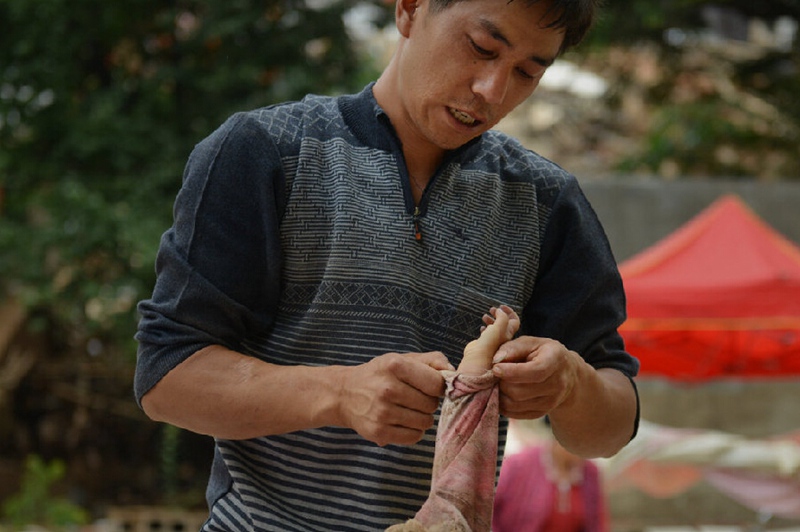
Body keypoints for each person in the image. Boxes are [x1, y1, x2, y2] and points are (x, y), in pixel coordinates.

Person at [133, 0, 640, 529]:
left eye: (527, 71)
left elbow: (610, 426)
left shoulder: (547, 204)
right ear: (410, 9)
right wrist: (339, 394)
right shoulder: (265, 152)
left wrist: (571, 384)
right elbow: (167, 378)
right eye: (481, 48)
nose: (492, 89)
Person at [492, 418, 610, 532]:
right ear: (559, 439)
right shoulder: (519, 465)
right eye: (579, 444)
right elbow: (489, 507)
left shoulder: (590, 473)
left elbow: (597, 524)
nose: (584, 452)